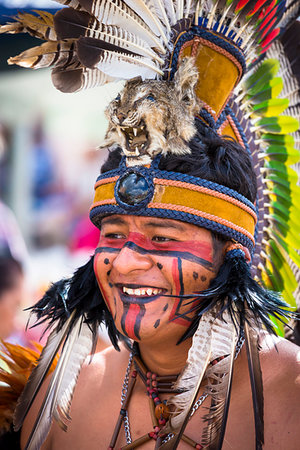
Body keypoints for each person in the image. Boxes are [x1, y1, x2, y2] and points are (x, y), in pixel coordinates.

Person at [0, 1, 299, 450]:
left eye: (161, 238)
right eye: (113, 234)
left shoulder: (290, 392)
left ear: (231, 253)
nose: (124, 260)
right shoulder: (59, 401)